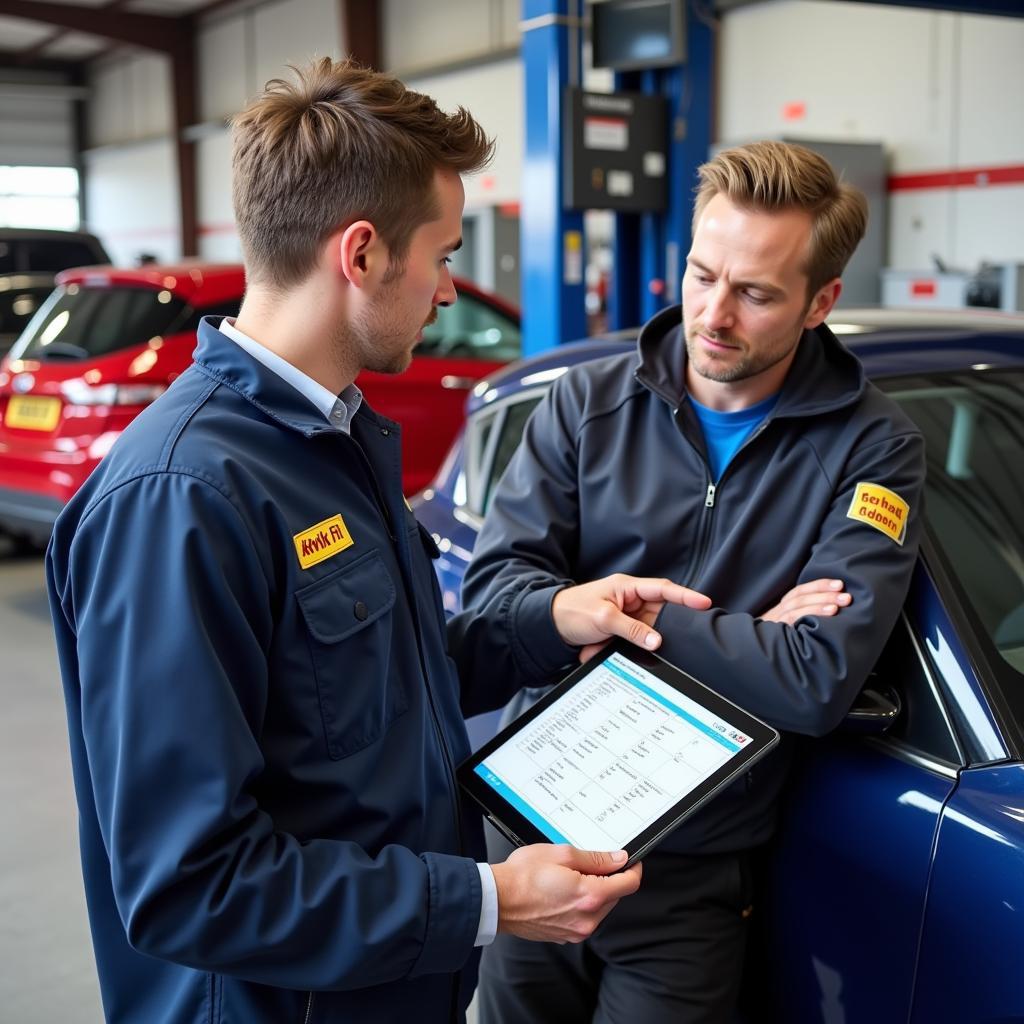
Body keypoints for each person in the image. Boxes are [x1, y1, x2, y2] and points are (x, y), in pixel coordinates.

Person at [45, 59, 716, 1024]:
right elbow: (191, 883)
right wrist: (490, 900)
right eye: (443, 255)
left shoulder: (334, 441)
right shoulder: (182, 499)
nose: (450, 290)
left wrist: (554, 621)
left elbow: (382, 677)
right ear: (360, 255)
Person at [453, 140, 927, 1023]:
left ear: (822, 301)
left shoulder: (874, 448)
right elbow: (494, 605)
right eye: (703, 275)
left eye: (755, 293)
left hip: (692, 861)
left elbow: (817, 680)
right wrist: (756, 629)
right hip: (532, 831)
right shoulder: (584, 406)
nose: (714, 315)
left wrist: (605, 613)